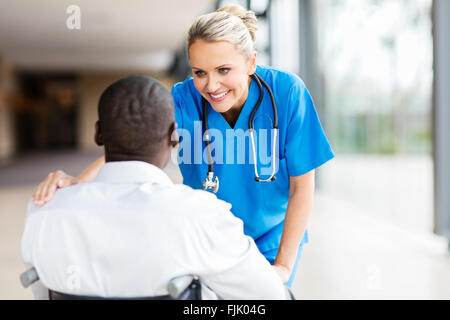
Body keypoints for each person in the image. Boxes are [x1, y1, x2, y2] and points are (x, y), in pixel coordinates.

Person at [32, 4, 334, 288]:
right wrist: (77, 182)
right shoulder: (183, 98)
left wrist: (282, 266)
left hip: (271, 238)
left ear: (251, 62)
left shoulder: (287, 93)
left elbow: (302, 187)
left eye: (224, 70)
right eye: (199, 72)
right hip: (205, 236)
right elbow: (133, 143)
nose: (211, 86)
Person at [21, 75, 288, 300]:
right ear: (174, 136)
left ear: (98, 134)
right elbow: (270, 297)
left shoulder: (45, 210)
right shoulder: (202, 216)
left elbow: (42, 290)